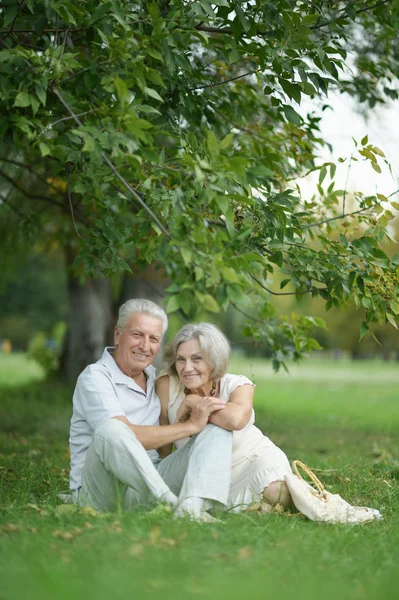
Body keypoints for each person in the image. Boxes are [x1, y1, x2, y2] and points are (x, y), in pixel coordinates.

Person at [69, 299, 233, 521]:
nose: (145, 346)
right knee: (112, 429)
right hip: (102, 490)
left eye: (153, 339)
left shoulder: (157, 380)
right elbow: (126, 437)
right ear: (118, 335)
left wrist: (194, 404)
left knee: (216, 429)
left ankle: (192, 508)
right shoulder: (95, 378)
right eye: (137, 335)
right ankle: (170, 504)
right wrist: (189, 426)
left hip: (151, 479)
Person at [156, 322, 293, 512]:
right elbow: (163, 442)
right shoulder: (167, 384)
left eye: (197, 359)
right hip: (200, 470)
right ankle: (249, 507)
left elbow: (234, 421)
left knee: (279, 493)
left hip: (251, 460)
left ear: (214, 360)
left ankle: (259, 505)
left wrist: (194, 401)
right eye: (181, 359)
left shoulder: (238, 384)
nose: (187, 368)